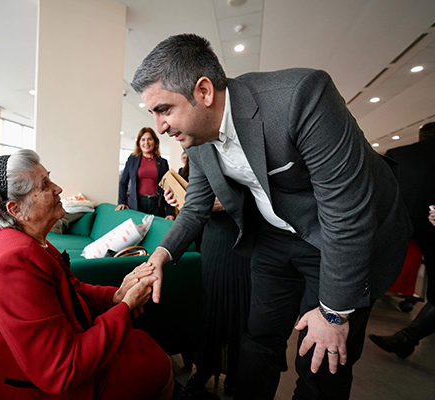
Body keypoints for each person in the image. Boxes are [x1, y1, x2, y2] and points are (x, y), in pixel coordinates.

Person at [132, 33, 412, 399]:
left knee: (321, 359)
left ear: (203, 92)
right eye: (153, 114)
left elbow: (346, 210)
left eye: (164, 110)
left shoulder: (300, 97)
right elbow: (196, 206)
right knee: (258, 339)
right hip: (273, 237)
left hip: (336, 238)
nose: (160, 126)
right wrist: (158, 258)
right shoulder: (196, 139)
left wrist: (334, 314)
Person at [0, 149, 177, 400]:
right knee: (158, 366)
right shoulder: (12, 264)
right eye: (45, 185)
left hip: (60, 362)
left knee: (145, 346)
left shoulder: (28, 242)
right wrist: (126, 307)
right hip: (35, 388)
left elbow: (72, 291)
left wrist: (117, 296)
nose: (58, 188)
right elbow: (61, 369)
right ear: (15, 209)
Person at [173, 157, 251, 397]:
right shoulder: (197, 159)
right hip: (212, 238)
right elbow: (193, 207)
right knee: (211, 306)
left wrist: (227, 204)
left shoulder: (241, 155)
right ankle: (205, 368)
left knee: (238, 309)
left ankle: (236, 372)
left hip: (241, 238)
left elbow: (259, 195)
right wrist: (179, 201)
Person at [368, 121, 435, 358]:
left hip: (397, 220)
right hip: (432, 224)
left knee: (371, 269)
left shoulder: (398, 154)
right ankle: (408, 337)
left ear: (419, 136)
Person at [116, 127, 174, 218]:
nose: (146, 143)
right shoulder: (132, 160)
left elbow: (168, 188)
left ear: (155, 142)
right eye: (143, 140)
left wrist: (169, 212)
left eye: (149, 139)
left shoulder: (163, 162)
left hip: (157, 205)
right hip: (137, 204)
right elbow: (123, 182)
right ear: (139, 143)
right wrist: (121, 202)